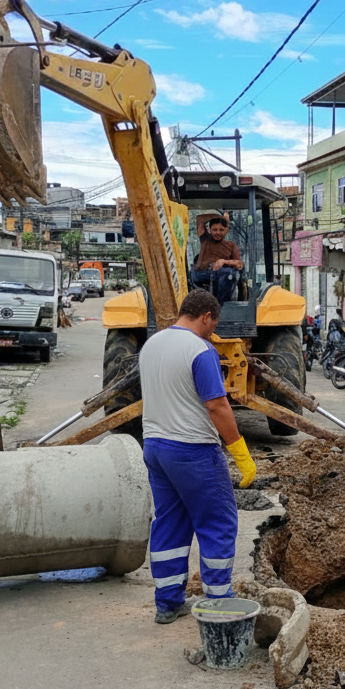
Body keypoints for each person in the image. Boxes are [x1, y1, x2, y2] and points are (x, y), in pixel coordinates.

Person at [139, 290, 257, 624]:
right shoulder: (200, 350)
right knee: (218, 522)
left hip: (155, 447)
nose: (212, 332)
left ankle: (167, 602)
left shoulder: (151, 345)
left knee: (170, 522)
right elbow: (217, 405)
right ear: (206, 316)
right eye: (213, 325)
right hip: (192, 450)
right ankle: (219, 603)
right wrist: (240, 453)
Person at [192, 211, 242, 305]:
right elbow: (200, 219)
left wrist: (223, 261)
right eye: (215, 229)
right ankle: (218, 306)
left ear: (225, 230)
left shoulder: (231, 246)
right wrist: (221, 218)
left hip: (223, 275)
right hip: (203, 274)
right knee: (227, 273)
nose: (218, 232)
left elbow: (239, 265)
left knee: (230, 274)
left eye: (221, 230)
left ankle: (220, 306)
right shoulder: (205, 239)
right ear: (210, 229)